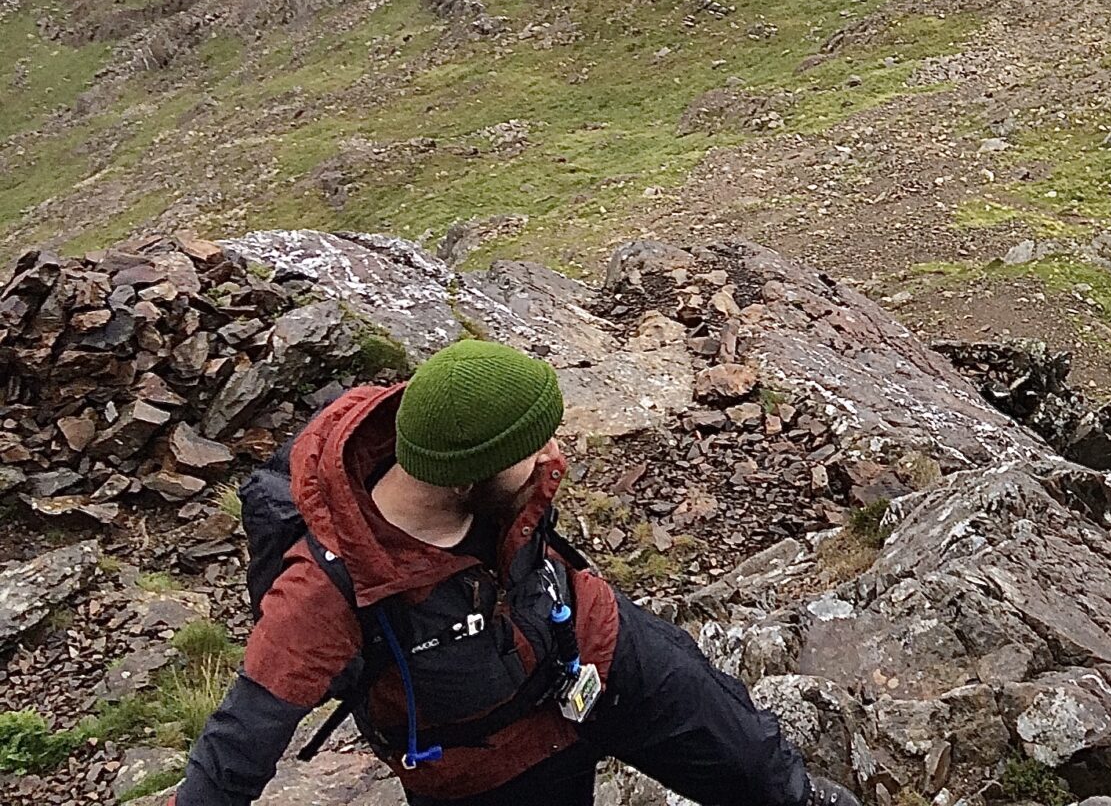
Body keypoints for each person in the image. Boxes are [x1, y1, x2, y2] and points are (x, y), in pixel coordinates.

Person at [176, 340, 857, 806]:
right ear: (468, 475)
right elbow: (239, 743)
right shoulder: (323, 593)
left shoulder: (445, 435)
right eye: (531, 450)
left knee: (755, 765)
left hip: (594, 645)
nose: (552, 456)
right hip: (485, 764)